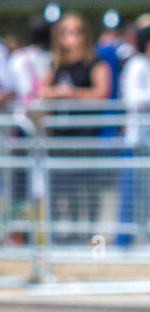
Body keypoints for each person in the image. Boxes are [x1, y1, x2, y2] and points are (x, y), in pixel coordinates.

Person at [41, 12, 113, 238]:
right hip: (60, 137)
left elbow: (102, 94)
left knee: (88, 186)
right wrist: (57, 94)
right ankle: (66, 233)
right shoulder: (55, 65)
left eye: (76, 31)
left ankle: (90, 232)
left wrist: (72, 94)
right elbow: (42, 90)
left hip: (86, 136)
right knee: (63, 186)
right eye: (66, 32)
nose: (71, 37)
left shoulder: (96, 63)